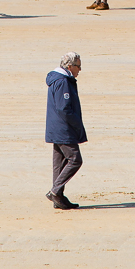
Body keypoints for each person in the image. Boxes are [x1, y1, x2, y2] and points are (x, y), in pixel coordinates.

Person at [45, 51, 87, 209]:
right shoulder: (63, 81)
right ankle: (55, 192)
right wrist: (77, 124)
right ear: (70, 66)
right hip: (63, 129)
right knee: (75, 159)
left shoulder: (60, 79)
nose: (80, 70)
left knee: (59, 163)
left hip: (56, 128)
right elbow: (64, 109)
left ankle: (59, 198)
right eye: (78, 66)